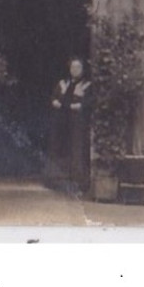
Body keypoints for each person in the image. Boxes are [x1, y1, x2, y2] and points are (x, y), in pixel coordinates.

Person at [45, 56, 92, 196]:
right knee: (60, 150)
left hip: (77, 124)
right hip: (61, 124)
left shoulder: (87, 85)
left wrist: (80, 105)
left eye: (78, 67)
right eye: (72, 67)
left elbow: (89, 102)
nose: (75, 70)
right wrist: (54, 101)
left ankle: (78, 184)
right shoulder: (63, 84)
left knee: (77, 151)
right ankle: (57, 182)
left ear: (83, 69)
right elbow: (53, 97)